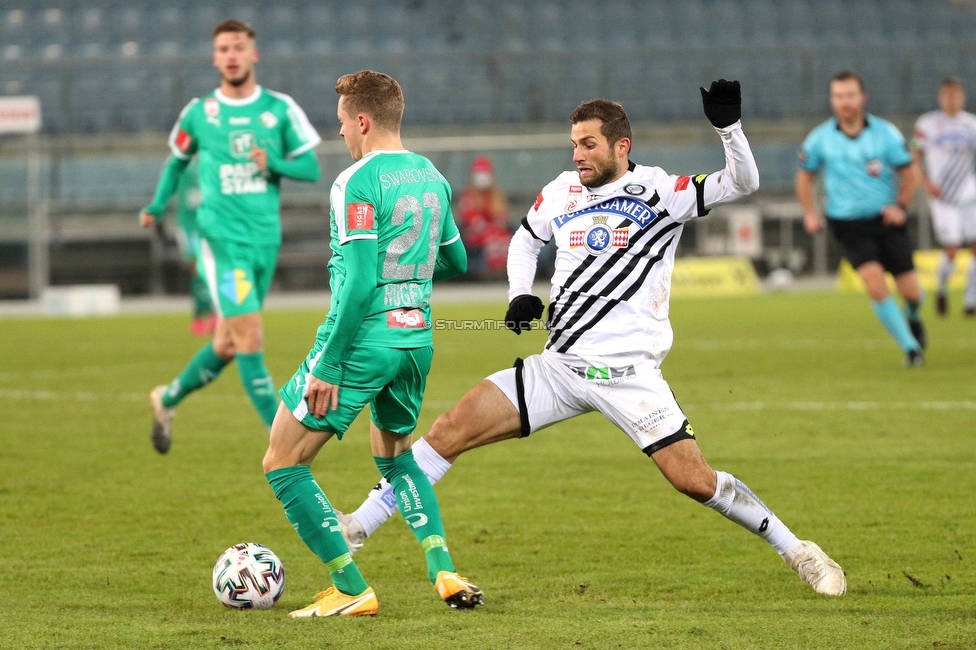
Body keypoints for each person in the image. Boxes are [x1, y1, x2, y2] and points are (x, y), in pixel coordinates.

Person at [337, 81, 848, 598]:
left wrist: (729, 129)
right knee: (450, 429)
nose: (578, 155)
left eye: (589, 144)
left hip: (629, 375)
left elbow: (741, 182)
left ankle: (798, 550)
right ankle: (356, 526)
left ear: (621, 146)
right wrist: (519, 293)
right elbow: (525, 238)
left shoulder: (661, 192)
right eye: (574, 143)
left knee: (695, 481)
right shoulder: (561, 191)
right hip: (558, 369)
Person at [262, 70, 479, 618]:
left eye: (340, 123)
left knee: (283, 461)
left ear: (362, 120)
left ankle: (350, 587)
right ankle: (443, 571)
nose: (338, 134)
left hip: (363, 339)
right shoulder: (432, 176)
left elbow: (358, 284)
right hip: (416, 338)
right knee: (397, 458)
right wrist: (407, 280)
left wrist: (329, 363)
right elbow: (455, 259)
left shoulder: (355, 182)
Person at [141, 20, 321, 453]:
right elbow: (176, 162)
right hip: (221, 242)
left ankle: (166, 399)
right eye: (223, 49)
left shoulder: (279, 109)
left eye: (239, 47)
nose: (232, 55)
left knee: (226, 342)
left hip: (264, 241)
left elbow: (310, 169)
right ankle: (281, 441)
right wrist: (155, 205)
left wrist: (274, 162)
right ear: (215, 57)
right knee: (251, 336)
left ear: (253, 54)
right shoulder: (200, 112)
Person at [797, 70, 926, 366]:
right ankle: (911, 349)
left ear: (863, 97)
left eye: (850, 95)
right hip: (847, 224)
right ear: (832, 100)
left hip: (886, 221)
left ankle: (915, 318)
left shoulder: (886, 133)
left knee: (913, 293)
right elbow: (805, 178)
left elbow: (910, 173)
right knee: (874, 282)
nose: (845, 102)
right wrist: (810, 213)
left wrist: (901, 207)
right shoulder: (820, 139)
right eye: (838, 96)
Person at [912, 77, 976, 316]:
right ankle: (941, 289)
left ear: (963, 97)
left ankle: (971, 301)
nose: (951, 100)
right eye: (946, 95)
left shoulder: (971, 123)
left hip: (969, 195)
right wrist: (926, 184)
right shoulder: (927, 124)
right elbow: (914, 153)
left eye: (955, 94)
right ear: (941, 98)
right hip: (943, 197)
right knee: (951, 249)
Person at [173, 159, 217, 336]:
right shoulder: (184, 170)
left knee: (212, 272)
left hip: (208, 229)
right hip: (190, 228)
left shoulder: (213, 166)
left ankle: (213, 315)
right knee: (198, 272)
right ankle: (200, 315)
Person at [458, 155, 512, 276]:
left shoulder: (496, 195)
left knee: (503, 238)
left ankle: (504, 270)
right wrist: (487, 229)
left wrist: (495, 227)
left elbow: (502, 218)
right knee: (491, 239)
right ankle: (489, 272)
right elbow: (471, 220)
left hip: (492, 232)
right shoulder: (468, 195)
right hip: (473, 234)